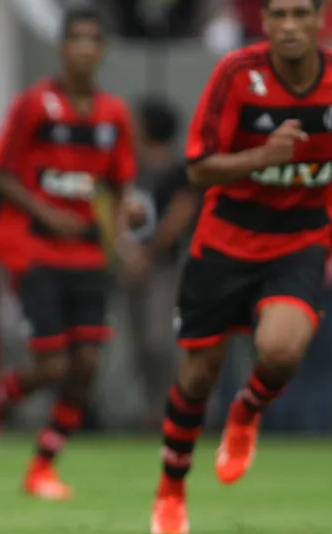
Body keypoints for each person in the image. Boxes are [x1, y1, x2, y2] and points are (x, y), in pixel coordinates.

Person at [151, 0, 332, 534]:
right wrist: (260, 158)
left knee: (280, 349)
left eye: (301, 14)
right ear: (264, 23)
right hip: (225, 239)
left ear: (322, 19)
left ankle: (247, 410)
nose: (290, 26)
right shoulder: (236, 73)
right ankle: (172, 486)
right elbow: (199, 168)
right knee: (199, 375)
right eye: (278, 15)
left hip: (299, 236)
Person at [0, 6, 141, 500]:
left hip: (87, 257)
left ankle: (43, 465)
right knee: (54, 365)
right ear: (63, 48)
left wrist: (127, 221)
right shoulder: (34, 106)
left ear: (102, 50)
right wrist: (45, 211)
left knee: (85, 367)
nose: (85, 48)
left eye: (94, 40)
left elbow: (118, 187)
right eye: (76, 39)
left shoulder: (114, 115)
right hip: (35, 251)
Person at [119, 97, 198, 428]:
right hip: (128, 263)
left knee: (158, 340)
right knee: (135, 342)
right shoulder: (130, 168)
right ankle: (149, 411)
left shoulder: (178, 171)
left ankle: (172, 408)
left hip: (163, 267)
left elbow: (180, 213)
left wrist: (149, 254)